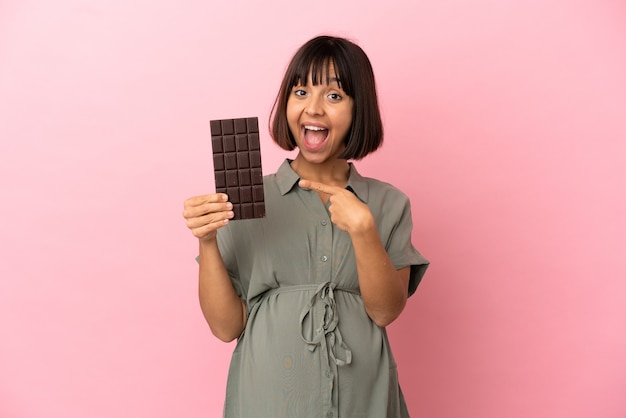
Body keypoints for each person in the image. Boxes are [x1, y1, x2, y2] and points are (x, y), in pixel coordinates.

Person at [183, 35, 429, 418]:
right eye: (301, 92)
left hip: (362, 399)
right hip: (268, 399)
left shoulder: (387, 203)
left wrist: (364, 232)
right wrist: (208, 241)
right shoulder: (245, 198)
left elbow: (384, 311)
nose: (313, 109)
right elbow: (226, 326)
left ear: (358, 108)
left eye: (334, 96)